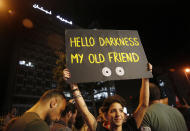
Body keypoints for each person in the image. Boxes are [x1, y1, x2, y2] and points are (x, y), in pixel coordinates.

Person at [63, 63, 151, 131]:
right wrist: (73, 85)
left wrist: (146, 76)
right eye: (113, 111)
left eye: (120, 110)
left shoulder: (130, 127)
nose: (118, 114)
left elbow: (143, 104)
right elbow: (85, 113)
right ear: (106, 115)